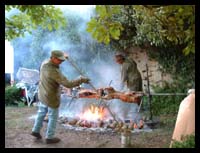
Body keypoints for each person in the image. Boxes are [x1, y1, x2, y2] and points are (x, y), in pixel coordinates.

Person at [31, 50, 90, 144]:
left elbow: (56, 58)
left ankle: (35, 130)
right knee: (53, 116)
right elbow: (68, 84)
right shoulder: (53, 71)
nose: (61, 62)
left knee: (41, 112)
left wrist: (63, 56)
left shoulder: (45, 63)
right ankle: (49, 137)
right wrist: (81, 79)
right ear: (53, 58)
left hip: (42, 93)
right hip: (51, 96)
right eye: (60, 60)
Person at [114, 52, 143, 121]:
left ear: (120, 60)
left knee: (133, 96)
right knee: (139, 94)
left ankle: (135, 114)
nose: (117, 62)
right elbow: (135, 64)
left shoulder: (124, 66)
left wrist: (119, 90)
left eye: (117, 61)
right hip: (138, 77)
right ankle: (140, 110)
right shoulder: (129, 59)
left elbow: (123, 79)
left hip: (133, 81)